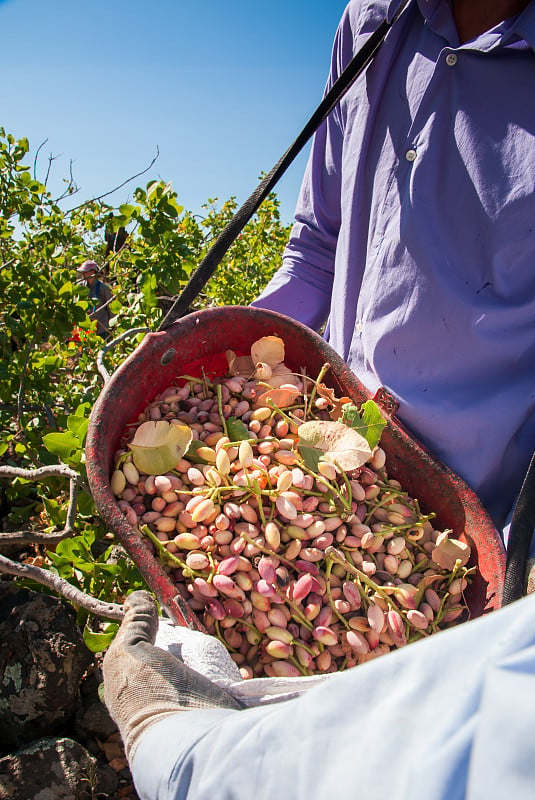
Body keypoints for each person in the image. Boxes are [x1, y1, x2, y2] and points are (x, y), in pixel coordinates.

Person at [102, 2, 535, 798]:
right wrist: (235, 365)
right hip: (335, 434)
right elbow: (315, 247)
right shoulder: (373, 20)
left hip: (469, 517)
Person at [76, 259, 114, 339]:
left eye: (85, 272)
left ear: (92, 272)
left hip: (102, 328)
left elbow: (111, 308)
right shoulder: (80, 286)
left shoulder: (103, 288)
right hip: (86, 328)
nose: (83, 274)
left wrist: (113, 326)